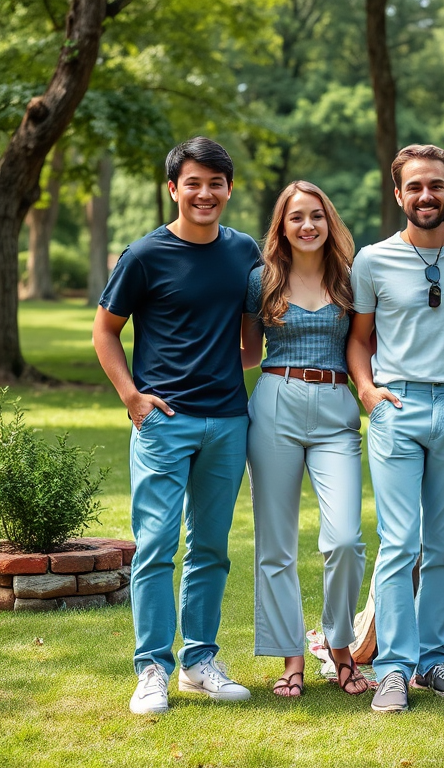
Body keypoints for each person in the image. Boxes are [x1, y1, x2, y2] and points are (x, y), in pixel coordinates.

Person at [93, 137, 260, 715]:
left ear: (229, 190)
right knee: (158, 545)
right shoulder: (143, 255)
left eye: (216, 183)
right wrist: (132, 397)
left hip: (228, 421)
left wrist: (217, 364)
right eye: (193, 182)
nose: (205, 193)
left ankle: (199, 662)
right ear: (174, 189)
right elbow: (104, 332)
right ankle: (151, 670)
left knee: (211, 547)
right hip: (163, 423)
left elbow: (250, 341)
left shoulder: (245, 253)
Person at [347, 144, 444, 713]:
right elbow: (359, 340)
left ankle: (433, 661)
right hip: (396, 408)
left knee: (441, 544)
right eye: (414, 187)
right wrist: (368, 393)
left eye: (436, 185)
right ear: (399, 195)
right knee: (399, 541)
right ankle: (393, 668)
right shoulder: (372, 260)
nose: (425, 195)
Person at [240, 181, 368, 698]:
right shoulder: (261, 281)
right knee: (276, 544)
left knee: (344, 539)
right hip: (275, 401)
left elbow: (369, 343)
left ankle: (340, 644)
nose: (308, 226)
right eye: (296, 218)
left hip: (338, 406)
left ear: (328, 221)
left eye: (316, 216)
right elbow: (247, 352)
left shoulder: (352, 280)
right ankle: (291, 655)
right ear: (282, 227)